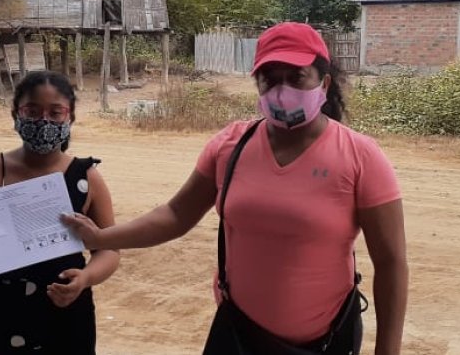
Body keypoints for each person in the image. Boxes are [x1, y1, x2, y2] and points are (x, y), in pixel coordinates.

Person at [65, 22, 408, 355]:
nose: (281, 89)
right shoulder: (230, 146)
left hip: (324, 341)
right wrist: (101, 238)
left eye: (296, 77)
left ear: (324, 82)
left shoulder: (360, 155)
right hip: (239, 336)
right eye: (269, 78)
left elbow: (391, 262)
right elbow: (175, 215)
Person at [0, 71, 120, 355]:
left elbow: (109, 251)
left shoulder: (87, 178)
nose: (43, 121)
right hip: (2, 316)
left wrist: (85, 278)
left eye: (55, 112)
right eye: (32, 111)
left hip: (66, 315)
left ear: (70, 118)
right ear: (15, 115)